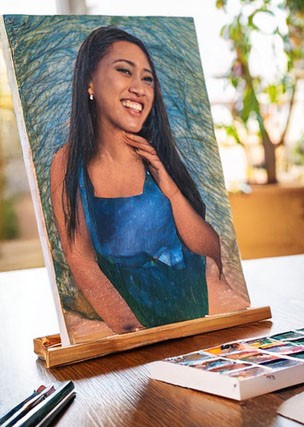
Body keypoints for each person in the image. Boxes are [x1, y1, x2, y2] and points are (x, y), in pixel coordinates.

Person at [51, 25, 228, 335]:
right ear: (89, 81)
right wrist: (136, 336)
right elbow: (81, 261)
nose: (140, 88)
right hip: (136, 337)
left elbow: (212, 255)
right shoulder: (68, 164)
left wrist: (171, 190)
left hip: (201, 326)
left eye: (147, 78)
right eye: (125, 71)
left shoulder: (160, 156)